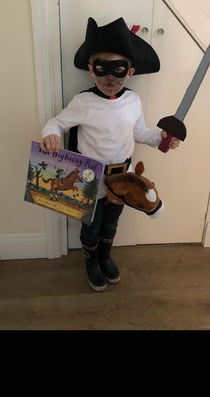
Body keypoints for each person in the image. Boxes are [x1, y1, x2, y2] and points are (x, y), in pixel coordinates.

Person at [40, 17, 180, 292]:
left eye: (118, 69)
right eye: (103, 68)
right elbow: (56, 122)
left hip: (123, 178)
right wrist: (51, 133)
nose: (110, 78)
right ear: (91, 70)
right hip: (88, 178)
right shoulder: (83, 102)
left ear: (130, 71)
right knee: (91, 224)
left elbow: (140, 132)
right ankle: (91, 260)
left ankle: (105, 256)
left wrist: (160, 138)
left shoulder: (133, 101)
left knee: (112, 222)